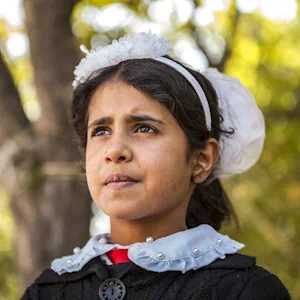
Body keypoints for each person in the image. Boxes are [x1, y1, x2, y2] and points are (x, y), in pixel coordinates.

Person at [21, 31, 291, 300]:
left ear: (202, 160)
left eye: (143, 128)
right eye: (101, 131)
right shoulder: (46, 291)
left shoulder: (246, 291)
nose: (115, 151)